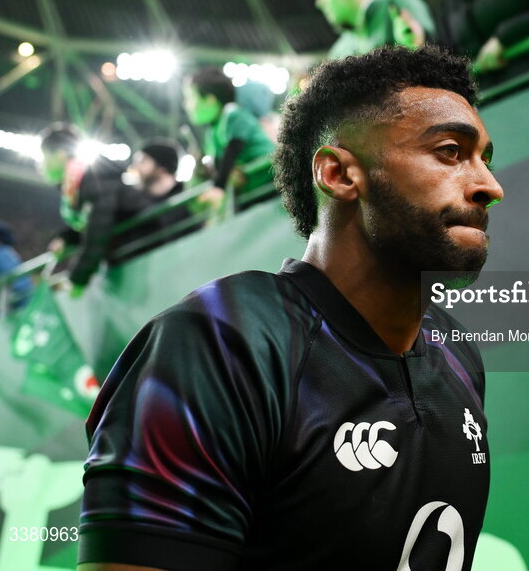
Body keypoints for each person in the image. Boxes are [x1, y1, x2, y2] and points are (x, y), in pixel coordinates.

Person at [78, 45, 503, 570]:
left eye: (486, 158)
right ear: (340, 174)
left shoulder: (458, 353)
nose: (489, 186)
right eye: (449, 151)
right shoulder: (218, 342)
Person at [39, 124, 152, 296]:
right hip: (135, 255)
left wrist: (76, 279)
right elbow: (93, 221)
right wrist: (67, 238)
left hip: (147, 252)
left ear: (60, 155)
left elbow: (99, 229)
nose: (40, 165)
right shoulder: (82, 184)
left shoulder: (97, 179)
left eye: (43, 157)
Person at [182, 67, 276, 211]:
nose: (186, 105)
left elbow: (234, 148)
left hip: (273, 181)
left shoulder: (233, 114)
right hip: (253, 191)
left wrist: (219, 188)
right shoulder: (212, 132)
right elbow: (221, 164)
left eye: (189, 98)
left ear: (210, 100)